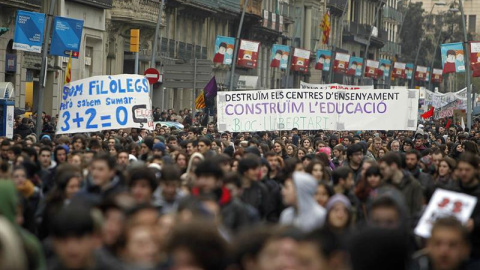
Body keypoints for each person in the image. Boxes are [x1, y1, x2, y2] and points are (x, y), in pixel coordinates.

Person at [378, 152, 423, 218]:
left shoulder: (413, 185)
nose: (381, 172)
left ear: (393, 166)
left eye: (383, 169)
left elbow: (416, 211)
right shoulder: (383, 185)